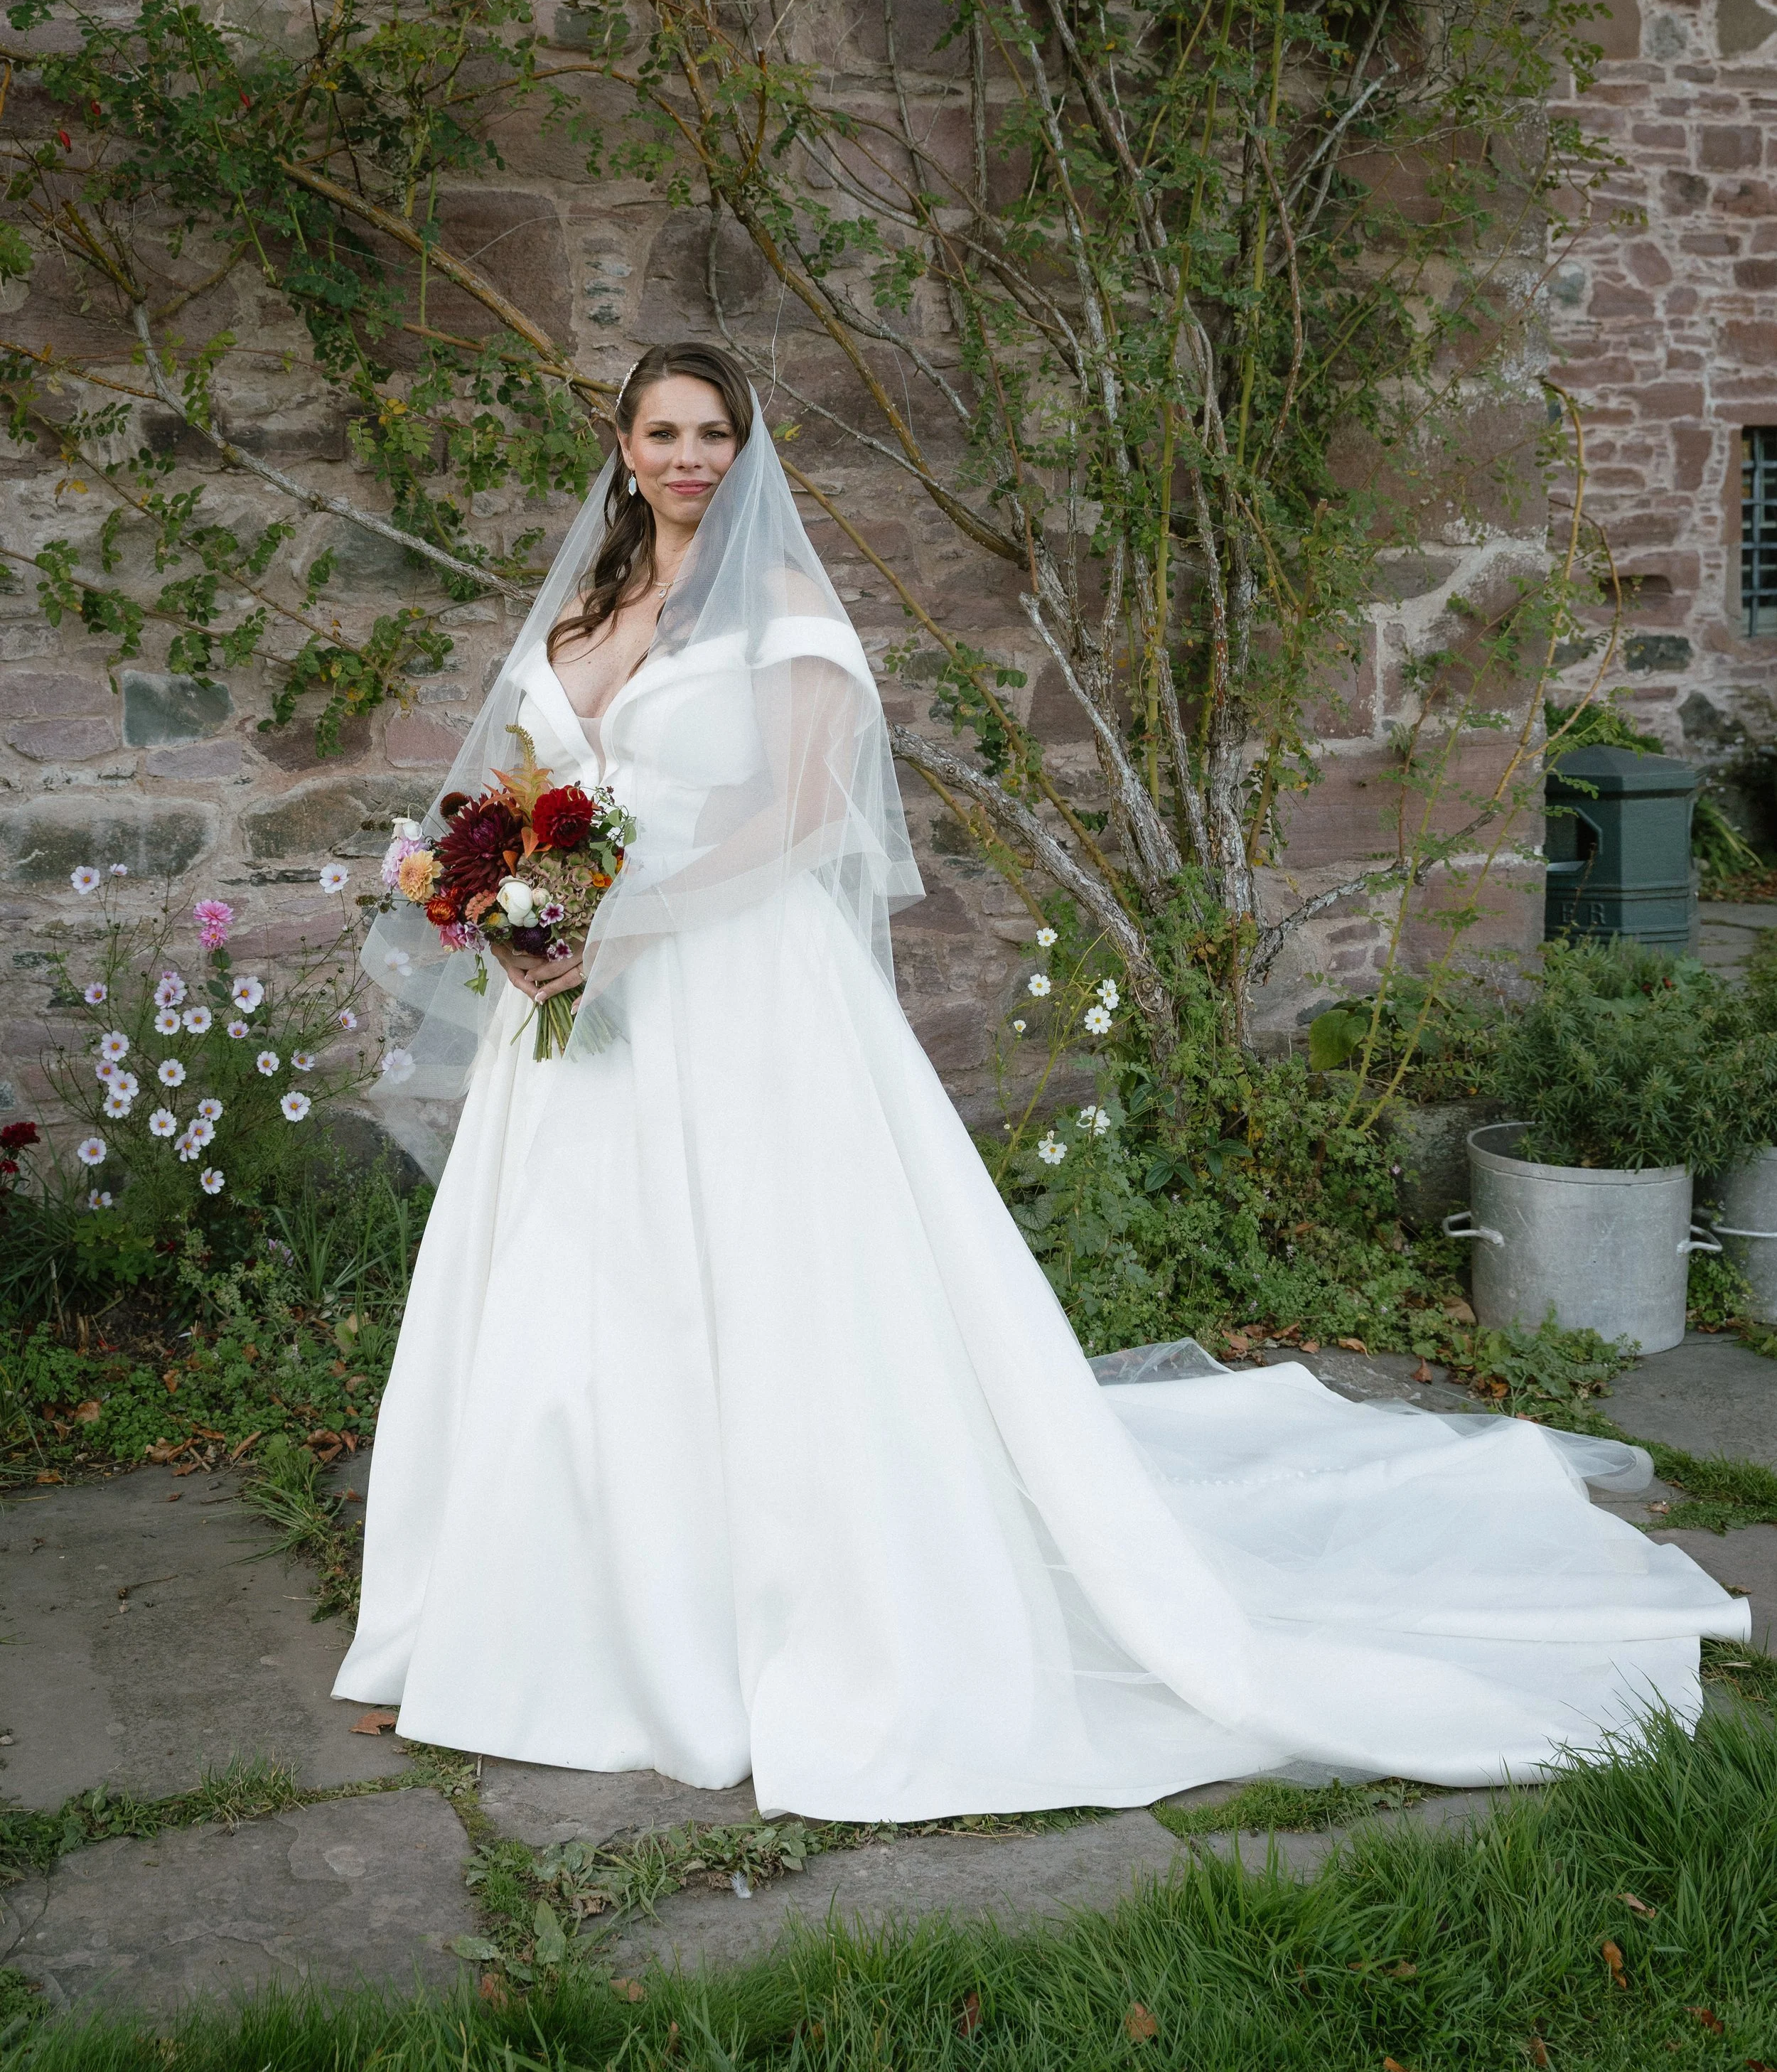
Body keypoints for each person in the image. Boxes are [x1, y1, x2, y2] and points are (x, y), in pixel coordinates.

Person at [333, 340, 1747, 1820]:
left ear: (744, 456)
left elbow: (807, 814)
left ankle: (755, 1608)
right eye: (665, 431)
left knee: (749, 1283)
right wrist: (510, 910)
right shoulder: (583, 609)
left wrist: (631, 918)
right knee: (572, 1291)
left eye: (717, 435)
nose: (690, 457)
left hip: (729, 991)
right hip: (575, 1000)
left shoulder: (785, 610)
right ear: (623, 445)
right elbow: (516, 787)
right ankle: (559, 1610)